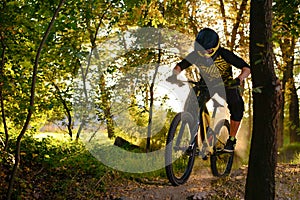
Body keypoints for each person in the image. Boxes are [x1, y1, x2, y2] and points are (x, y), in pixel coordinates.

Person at [168, 28, 251, 152]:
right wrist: (174, 75)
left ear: (216, 47)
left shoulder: (224, 54)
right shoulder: (195, 56)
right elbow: (180, 66)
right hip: (206, 85)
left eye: (209, 50)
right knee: (192, 103)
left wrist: (239, 78)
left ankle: (232, 139)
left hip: (226, 85)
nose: (205, 53)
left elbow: (246, 68)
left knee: (237, 105)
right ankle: (193, 141)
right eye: (202, 50)